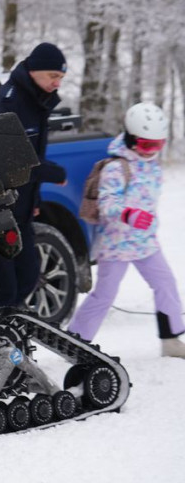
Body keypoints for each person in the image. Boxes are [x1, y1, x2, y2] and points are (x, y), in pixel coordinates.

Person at [67, 104, 185, 358]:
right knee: (104, 295)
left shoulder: (152, 165)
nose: (151, 151)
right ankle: (74, 342)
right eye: (146, 145)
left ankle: (171, 339)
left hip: (145, 243)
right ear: (131, 139)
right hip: (117, 245)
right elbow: (107, 203)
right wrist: (128, 214)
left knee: (166, 284)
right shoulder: (116, 167)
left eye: (158, 145)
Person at [0, 42, 68, 309]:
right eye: (53, 76)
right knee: (1, 291)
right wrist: (52, 173)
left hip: (20, 209)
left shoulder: (37, 101)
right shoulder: (8, 103)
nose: (57, 83)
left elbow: (30, 154)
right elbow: (5, 159)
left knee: (28, 278)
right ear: (34, 70)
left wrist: (33, 201)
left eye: (61, 77)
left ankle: (2, 329)